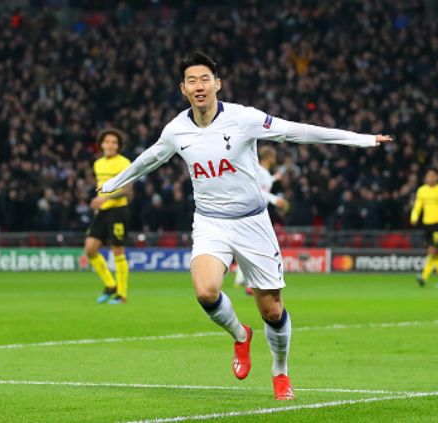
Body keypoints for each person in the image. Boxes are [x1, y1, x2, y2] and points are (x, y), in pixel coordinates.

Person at [100, 52, 392, 400]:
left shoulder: (244, 119)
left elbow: (297, 132)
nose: (199, 86)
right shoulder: (176, 130)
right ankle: (241, 336)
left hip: (253, 223)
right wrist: (115, 181)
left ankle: (280, 371)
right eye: (191, 80)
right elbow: (151, 157)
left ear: (217, 84)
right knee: (206, 291)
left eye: (205, 79)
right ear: (183, 88)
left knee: (272, 310)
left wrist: (359, 138)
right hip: (210, 222)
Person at [234, 145, 290, 296]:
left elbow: (262, 185)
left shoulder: (262, 172)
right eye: (273, 156)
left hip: (255, 214)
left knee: (249, 247)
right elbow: (259, 190)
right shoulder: (260, 171)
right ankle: (249, 282)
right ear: (269, 157)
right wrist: (275, 199)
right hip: (253, 214)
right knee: (258, 248)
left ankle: (243, 280)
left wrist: (274, 178)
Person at [85, 128, 132, 305]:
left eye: (114, 142)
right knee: (90, 249)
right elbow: (99, 187)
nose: (110, 145)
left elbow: (127, 191)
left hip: (118, 211)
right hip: (102, 212)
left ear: (118, 145)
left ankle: (122, 294)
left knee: (117, 250)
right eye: (107, 141)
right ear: (102, 144)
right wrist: (99, 204)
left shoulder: (124, 163)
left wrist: (104, 197)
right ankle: (110, 284)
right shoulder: (98, 164)